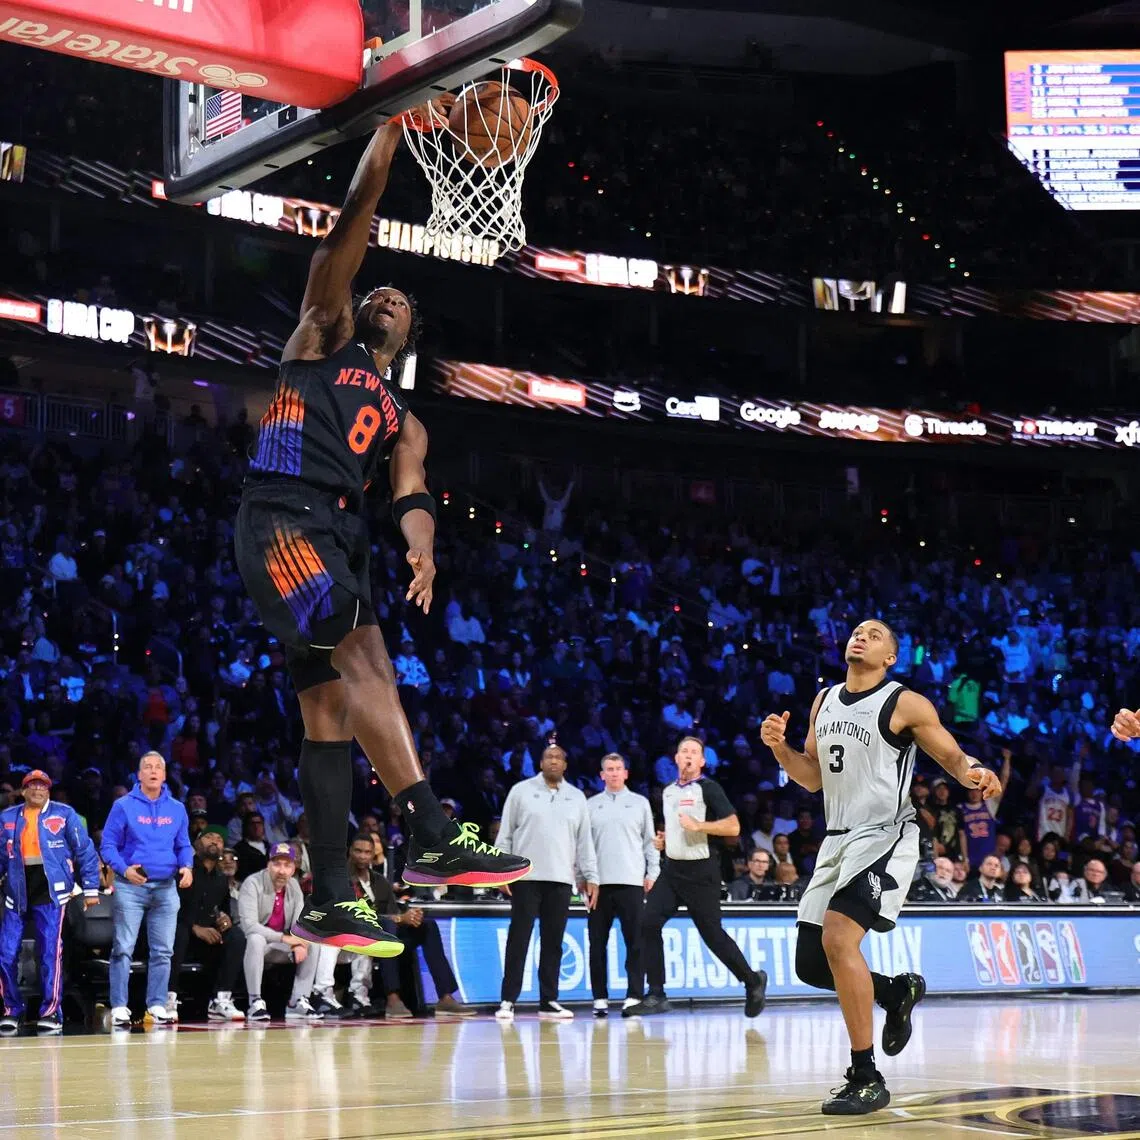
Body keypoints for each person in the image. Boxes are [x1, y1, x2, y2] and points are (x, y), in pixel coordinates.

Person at [232, 118, 529, 956]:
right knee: (366, 664)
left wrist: (423, 547)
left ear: (411, 335)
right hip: (283, 513)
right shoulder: (321, 334)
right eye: (378, 293)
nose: (384, 297)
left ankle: (331, 895)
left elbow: (411, 492)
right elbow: (351, 218)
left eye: (399, 301)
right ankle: (431, 831)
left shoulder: (406, 416)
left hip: (338, 533)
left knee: (329, 708)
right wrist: (390, 135)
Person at [761, 618, 1001, 1116]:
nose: (861, 636)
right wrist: (780, 749)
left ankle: (865, 1076)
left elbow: (951, 755)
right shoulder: (823, 701)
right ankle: (896, 991)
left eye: (873, 634)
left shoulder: (903, 702)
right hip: (836, 838)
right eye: (856, 631)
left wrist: (974, 772)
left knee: (837, 940)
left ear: (890, 657)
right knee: (810, 964)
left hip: (885, 834)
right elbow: (811, 779)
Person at [623, 737, 768, 1020]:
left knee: (712, 935)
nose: (688, 756)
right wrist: (666, 841)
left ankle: (752, 981)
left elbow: (733, 826)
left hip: (702, 872)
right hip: (673, 870)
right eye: (683, 752)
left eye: (694, 752)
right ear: (676, 759)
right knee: (647, 922)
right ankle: (656, 994)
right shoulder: (667, 792)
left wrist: (700, 825)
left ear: (702, 761)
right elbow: (677, 828)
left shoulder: (709, 789)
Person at [316, 833, 472, 1018]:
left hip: (386, 937)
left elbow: (394, 912)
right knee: (386, 925)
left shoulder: (379, 882)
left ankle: (445, 998)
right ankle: (393, 998)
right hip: (356, 937)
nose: (363, 856)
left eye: (367, 852)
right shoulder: (341, 879)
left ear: (373, 854)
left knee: (428, 926)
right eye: (358, 851)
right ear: (350, 851)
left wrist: (411, 917)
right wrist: (397, 919)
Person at [495, 745, 598, 1021]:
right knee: (519, 939)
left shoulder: (577, 798)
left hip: (561, 880)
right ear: (540, 763)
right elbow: (505, 835)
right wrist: (500, 871)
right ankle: (507, 1000)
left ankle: (549, 1000)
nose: (553, 761)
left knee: (553, 943)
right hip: (525, 877)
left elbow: (584, 843)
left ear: (565, 764)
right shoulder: (520, 791)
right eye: (548, 757)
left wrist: (591, 877)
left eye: (558, 758)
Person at [0, 770, 100, 1034]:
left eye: (42, 786)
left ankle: (51, 1012)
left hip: (51, 890)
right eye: (31, 786)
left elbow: (86, 852)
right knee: (6, 953)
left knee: (49, 952)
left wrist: (91, 889)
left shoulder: (65, 814)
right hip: (17, 888)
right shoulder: (7, 817)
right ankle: (11, 1010)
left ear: (49, 790)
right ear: (23, 791)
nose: (37, 790)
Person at [100, 751, 193, 1028]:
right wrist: (124, 869)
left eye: (158, 767)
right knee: (123, 948)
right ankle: (119, 1006)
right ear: (138, 775)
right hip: (130, 887)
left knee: (163, 951)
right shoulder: (123, 806)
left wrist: (187, 865)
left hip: (166, 887)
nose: (153, 771)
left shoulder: (177, 808)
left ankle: (156, 1003)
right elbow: (107, 846)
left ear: (164, 775)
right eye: (147, 767)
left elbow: (184, 844)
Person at [586, 753, 658, 1017]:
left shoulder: (639, 804)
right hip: (599, 884)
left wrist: (653, 872)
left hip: (631, 882)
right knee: (597, 943)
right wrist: (582, 878)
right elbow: (583, 846)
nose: (614, 773)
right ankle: (600, 998)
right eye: (609, 769)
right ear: (601, 775)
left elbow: (650, 842)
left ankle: (634, 994)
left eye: (618, 769)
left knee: (635, 942)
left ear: (626, 773)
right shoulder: (591, 805)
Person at [238, 843, 325, 1021]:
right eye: (277, 864)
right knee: (256, 939)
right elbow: (250, 926)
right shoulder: (252, 883)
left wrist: (300, 942)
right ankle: (255, 1002)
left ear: (294, 868)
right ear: (268, 864)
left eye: (287, 865)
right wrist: (286, 939)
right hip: (254, 946)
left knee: (313, 942)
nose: (282, 871)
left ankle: (298, 1001)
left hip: (280, 946)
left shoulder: (294, 886)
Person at [170, 828, 247, 1022]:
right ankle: (168, 997)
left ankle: (220, 999)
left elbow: (223, 909)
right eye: (209, 837)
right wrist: (195, 927)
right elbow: (169, 909)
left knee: (236, 936)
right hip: (181, 937)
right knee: (179, 932)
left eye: (219, 839)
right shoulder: (183, 871)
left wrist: (224, 920)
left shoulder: (221, 879)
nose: (214, 841)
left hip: (206, 940)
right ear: (196, 844)